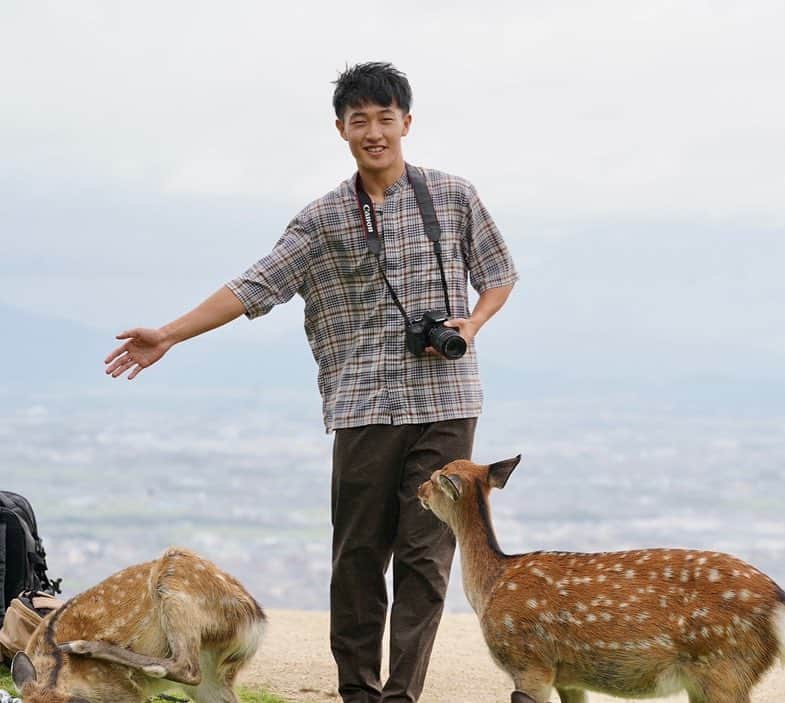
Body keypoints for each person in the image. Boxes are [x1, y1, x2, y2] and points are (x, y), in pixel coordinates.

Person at [103, 62, 518, 703]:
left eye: (386, 118)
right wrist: (170, 333)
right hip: (363, 406)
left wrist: (476, 320)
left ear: (407, 122)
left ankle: (401, 694)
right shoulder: (322, 219)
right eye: (361, 120)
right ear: (341, 129)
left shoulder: (454, 196)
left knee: (425, 556)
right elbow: (254, 285)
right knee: (358, 558)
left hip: (448, 399)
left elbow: (498, 271)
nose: (374, 131)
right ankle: (358, 690)